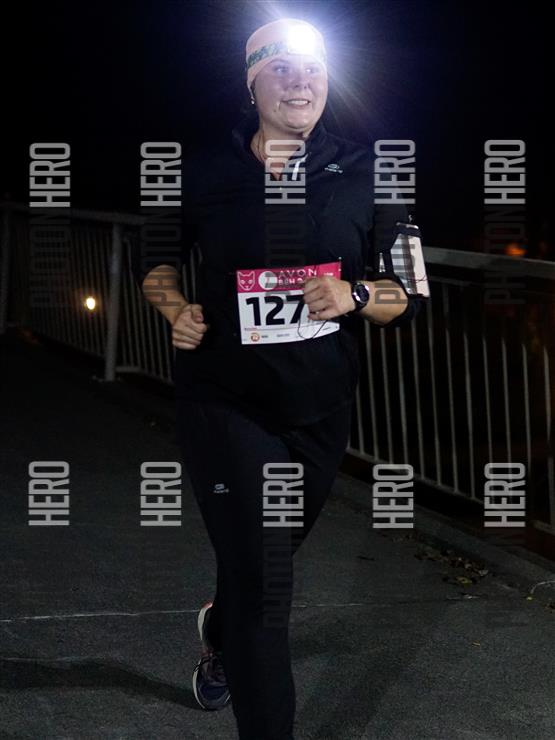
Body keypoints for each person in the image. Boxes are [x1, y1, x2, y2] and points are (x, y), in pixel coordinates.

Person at [131, 17, 422, 740]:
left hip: (319, 407)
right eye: (281, 69)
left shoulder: (370, 171)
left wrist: (357, 294)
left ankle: (219, 628)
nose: (300, 83)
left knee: (266, 555)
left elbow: (411, 290)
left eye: (313, 70)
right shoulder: (201, 171)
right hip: (224, 400)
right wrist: (175, 308)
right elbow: (156, 260)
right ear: (252, 83)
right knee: (266, 580)